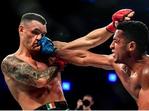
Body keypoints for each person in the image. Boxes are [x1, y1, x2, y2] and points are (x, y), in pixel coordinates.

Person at [0, 9, 134, 110]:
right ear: (21, 29)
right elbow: (39, 80)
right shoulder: (10, 62)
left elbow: (88, 41)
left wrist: (112, 26)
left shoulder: (53, 49)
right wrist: (58, 60)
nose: (40, 38)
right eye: (35, 32)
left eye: (43, 34)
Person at [49, 20, 149, 109]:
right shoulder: (119, 63)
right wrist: (52, 50)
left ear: (131, 46)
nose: (111, 46)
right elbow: (83, 56)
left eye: (116, 42)